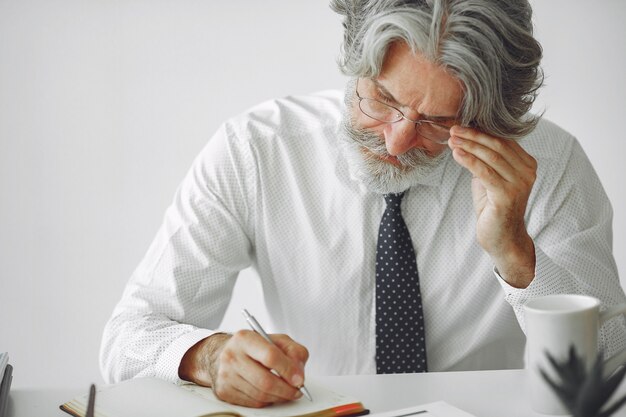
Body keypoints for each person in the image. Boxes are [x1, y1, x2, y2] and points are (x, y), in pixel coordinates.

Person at [100, 0, 626, 409]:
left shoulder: (546, 165)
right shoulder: (257, 151)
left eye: (438, 122)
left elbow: (609, 375)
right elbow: (128, 339)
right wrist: (209, 359)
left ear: (486, 114)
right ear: (354, 64)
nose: (397, 141)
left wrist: (517, 256)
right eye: (381, 99)